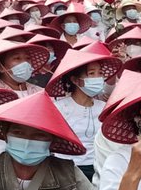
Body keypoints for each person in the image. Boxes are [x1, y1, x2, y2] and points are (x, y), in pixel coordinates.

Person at [45, 45, 123, 183]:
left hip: (99, 168)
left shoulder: (103, 108)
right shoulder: (60, 108)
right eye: (92, 74)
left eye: (100, 73)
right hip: (68, 170)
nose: (98, 78)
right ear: (75, 80)